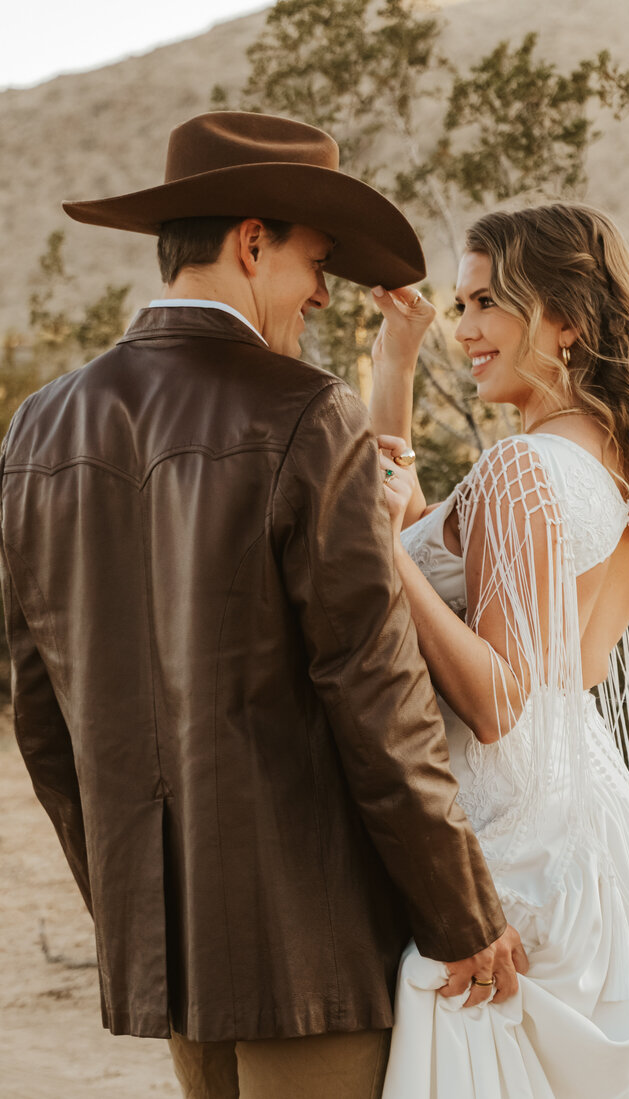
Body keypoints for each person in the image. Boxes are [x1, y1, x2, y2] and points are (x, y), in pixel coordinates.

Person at [0, 111, 527, 1099]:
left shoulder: (37, 425)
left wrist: (131, 904)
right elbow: (375, 695)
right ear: (251, 241)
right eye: (313, 262)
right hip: (311, 949)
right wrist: (460, 913)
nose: (321, 294)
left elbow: (41, 715)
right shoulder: (302, 410)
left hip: (171, 945)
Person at [369, 203, 629, 1097]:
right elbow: (581, 663)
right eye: (459, 306)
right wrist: (395, 361)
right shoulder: (620, 465)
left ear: (565, 319)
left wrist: (380, 556)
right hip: (582, 817)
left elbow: (498, 696)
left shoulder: (524, 470)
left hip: (512, 824)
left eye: (487, 302)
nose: (467, 328)